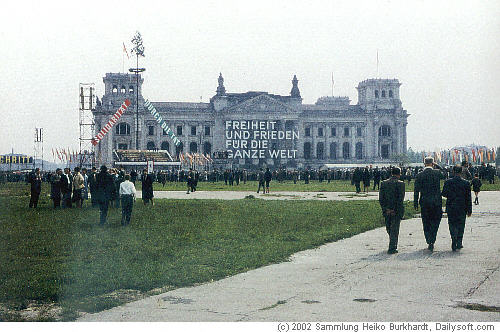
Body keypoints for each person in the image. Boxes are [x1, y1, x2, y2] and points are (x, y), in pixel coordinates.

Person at [414, 157, 443, 251]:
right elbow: (446, 172)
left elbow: (416, 190)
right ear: (432, 163)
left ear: (424, 163)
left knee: (426, 221)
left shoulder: (419, 175)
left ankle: (428, 239)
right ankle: (433, 238)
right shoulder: (437, 173)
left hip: (424, 201)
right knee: (436, 220)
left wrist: (415, 202)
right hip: (436, 201)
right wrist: (437, 165)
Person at [441, 165, 472, 251]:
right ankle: (459, 242)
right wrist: (469, 210)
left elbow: (444, 194)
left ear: (453, 171)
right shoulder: (466, 183)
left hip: (451, 206)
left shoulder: (448, 182)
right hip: (462, 207)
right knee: (461, 225)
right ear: (461, 171)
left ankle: (453, 239)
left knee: (452, 224)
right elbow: (468, 197)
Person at [379, 167, 405, 254]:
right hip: (396, 210)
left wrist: (386, 209)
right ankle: (392, 245)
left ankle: (392, 246)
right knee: (394, 229)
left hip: (387, 210)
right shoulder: (401, 184)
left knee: (389, 227)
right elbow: (400, 199)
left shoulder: (383, 183)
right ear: (399, 174)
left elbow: (381, 198)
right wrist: (394, 209)